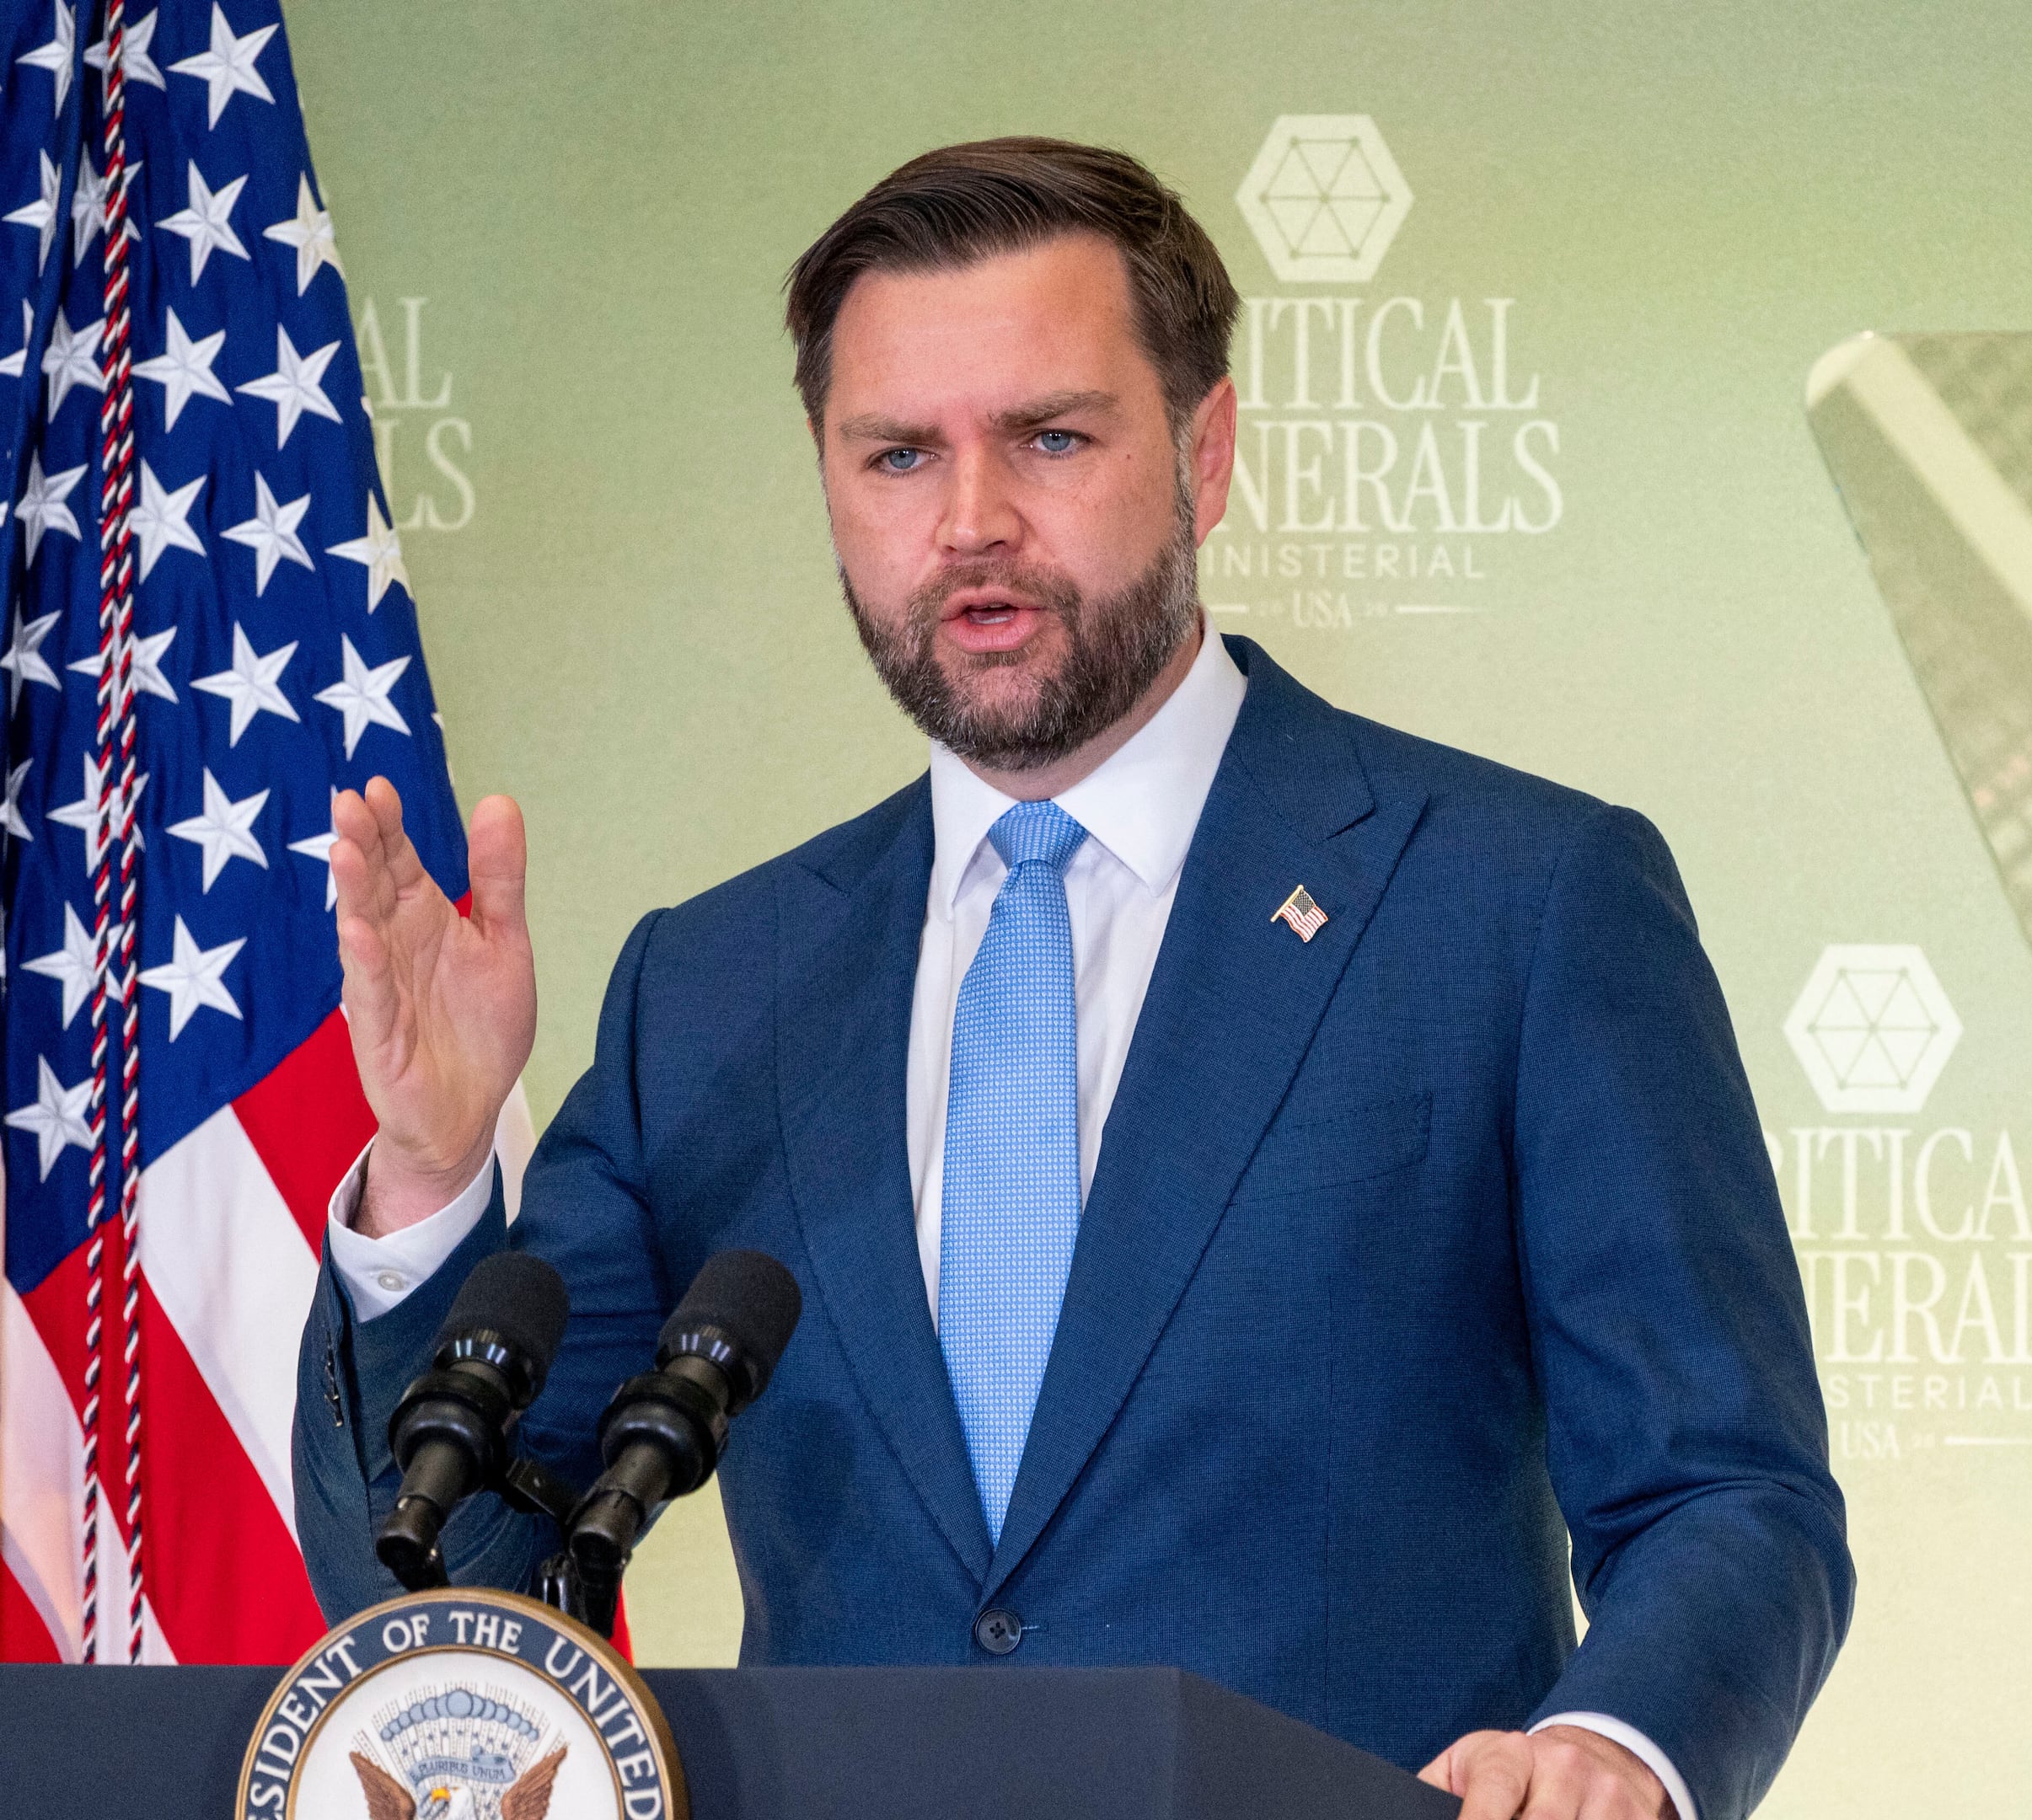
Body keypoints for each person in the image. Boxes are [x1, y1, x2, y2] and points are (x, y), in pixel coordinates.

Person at [292, 138, 1848, 1820]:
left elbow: (1726, 1492)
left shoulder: (1516, 901)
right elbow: (446, 1596)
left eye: (1049, 437)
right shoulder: (716, 984)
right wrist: (441, 1178)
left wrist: (1613, 1748)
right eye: (897, 454)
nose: (970, 522)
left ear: (1207, 448)